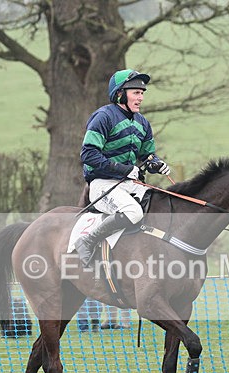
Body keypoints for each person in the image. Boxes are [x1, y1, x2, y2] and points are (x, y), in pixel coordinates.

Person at [74, 69, 172, 267]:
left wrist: (156, 163)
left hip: (130, 184)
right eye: (136, 92)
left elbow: (147, 154)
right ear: (120, 94)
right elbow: (88, 154)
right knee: (134, 213)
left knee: (162, 204)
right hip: (102, 184)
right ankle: (87, 241)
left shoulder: (143, 123)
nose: (141, 97)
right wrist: (122, 170)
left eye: (142, 93)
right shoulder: (103, 117)